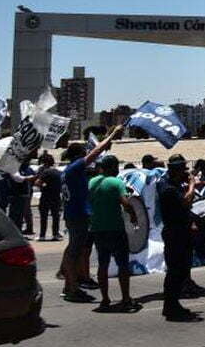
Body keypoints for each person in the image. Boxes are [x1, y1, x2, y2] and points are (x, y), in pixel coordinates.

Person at [61, 124, 123, 303]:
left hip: (72, 215)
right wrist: (111, 135)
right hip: (77, 215)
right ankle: (73, 289)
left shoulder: (67, 172)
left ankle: (69, 284)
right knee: (74, 252)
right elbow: (95, 153)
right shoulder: (74, 168)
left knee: (72, 250)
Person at [88, 154, 140, 312]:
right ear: (112, 167)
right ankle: (125, 298)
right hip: (115, 229)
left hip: (97, 229)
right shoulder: (117, 182)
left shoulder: (92, 182)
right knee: (122, 265)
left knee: (102, 265)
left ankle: (105, 299)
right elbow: (125, 202)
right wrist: (133, 216)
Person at [157, 154, 200, 321]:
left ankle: (173, 304)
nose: (185, 173)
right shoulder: (167, 187)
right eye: (183, 169)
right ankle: (171, 306)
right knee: (175, 271)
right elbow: (185, 201)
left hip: (182, 231)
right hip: (175, 233)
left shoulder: (174, 184)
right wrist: (192, 185)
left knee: (182, 271)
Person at [36, 153, 63, 241]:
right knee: (55, 216)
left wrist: (43, 186)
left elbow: (37, 183)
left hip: (46, 196)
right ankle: (55, 234)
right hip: (56, 196)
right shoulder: (57, 172)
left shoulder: (45, 172)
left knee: (44, 217)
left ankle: (42, 235)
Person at [7, 161, 36, 234]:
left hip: (24, 195)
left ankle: (21, 230)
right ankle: (15, 232)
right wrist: (28, 178)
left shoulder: (27, 169)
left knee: (22, 214)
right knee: (16, 215)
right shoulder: (14, 169)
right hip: (16, 195)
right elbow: (18, 179)